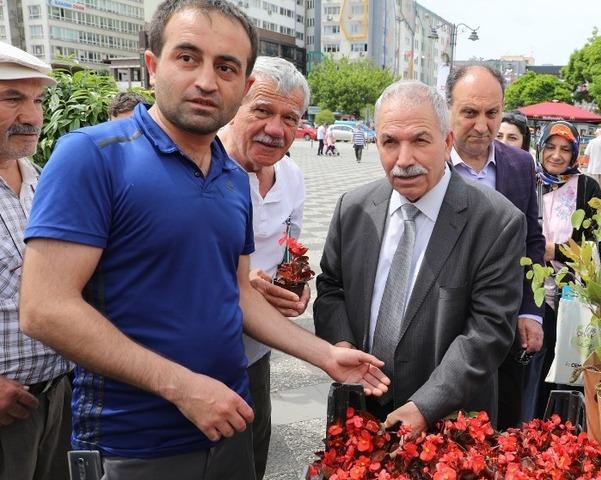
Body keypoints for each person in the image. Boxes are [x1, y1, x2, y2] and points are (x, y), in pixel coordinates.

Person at [18, 2, 388, 478]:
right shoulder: (92, 157)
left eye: (226, 66)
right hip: (133, 443)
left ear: (244, 82)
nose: (208, 81)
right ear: (153, 66)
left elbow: (238, 296)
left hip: (227, 422)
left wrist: (325, 355)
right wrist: (182, 387)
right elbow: (44, 308)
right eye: (188, 58)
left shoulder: (234, 178)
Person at [314, 80, 525, 437]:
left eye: (420, 140)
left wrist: (426, 405)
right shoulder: (353, 208)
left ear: (446, 144)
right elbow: (331, 287)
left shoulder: (496, 221)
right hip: (360, 412)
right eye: (390, 142)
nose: (404, 160)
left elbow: (488, 331)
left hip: (449, 427)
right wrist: (344, 345)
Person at [218, 56, 309, 480]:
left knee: (254, 457)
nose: (276, 128)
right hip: (201, 355)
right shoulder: (203, 167)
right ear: (235, 105)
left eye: (290, 117)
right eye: (262, 110)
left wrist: (298, 285)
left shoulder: (290, 175)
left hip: (257, 350)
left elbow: (292, 249)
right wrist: (240, 281)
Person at [445, 64, 545, 430]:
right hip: (442, 328)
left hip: (505, 332)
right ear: (449, 109)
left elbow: (532, 241)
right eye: (470, 113)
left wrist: (531, 311)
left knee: (502, 433)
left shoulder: (520, 164)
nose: (483, 126)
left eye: (492, 113)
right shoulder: (429, 162)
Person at [0, 41, 73, 480]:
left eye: (38, 99)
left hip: (57, 400)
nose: (31, 115)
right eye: (12, 98)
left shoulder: (43, 182)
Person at [530, 121, 601, 420]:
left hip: (569, 293)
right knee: (532, 364)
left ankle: (559, 430)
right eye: (550, 147)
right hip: (531, 292)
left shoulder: (588, 187)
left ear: (576, 152)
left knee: (563, 362)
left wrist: (557, 251)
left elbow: (600, 244)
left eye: (565, 149)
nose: (557, 155)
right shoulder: (528, 182)